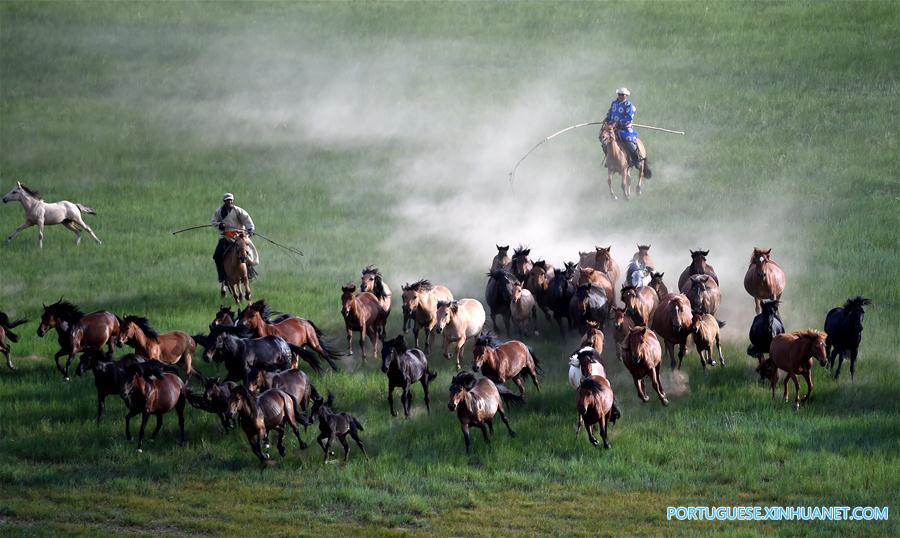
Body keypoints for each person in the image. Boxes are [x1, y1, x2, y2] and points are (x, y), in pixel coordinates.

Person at [212, 193, 255, 290]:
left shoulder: (238, 210)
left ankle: (249, 273)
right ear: (224, 201)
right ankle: (223, 276)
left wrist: (251, 229)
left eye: (230, 200)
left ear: (233, 200)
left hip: (240, 236)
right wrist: (220, 225)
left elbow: (246, 219)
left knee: (249, 253)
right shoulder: (219, 212)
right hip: (227, 236)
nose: (229, 202)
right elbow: (214, 221)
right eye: (227, 200)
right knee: (217, 255)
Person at [603, 87, 643, 167]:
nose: (620, 96)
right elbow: (610, 112)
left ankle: (636, 160)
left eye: (622, 95)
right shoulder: (614, 103)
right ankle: (609, 158)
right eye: (619, 94)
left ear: (626, 96)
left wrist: (618, 123)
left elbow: (629, 117)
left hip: (624, 128)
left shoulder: (629, 106)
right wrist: (607, 119)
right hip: (612, 128)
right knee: (604, 140)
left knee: (629, 141)